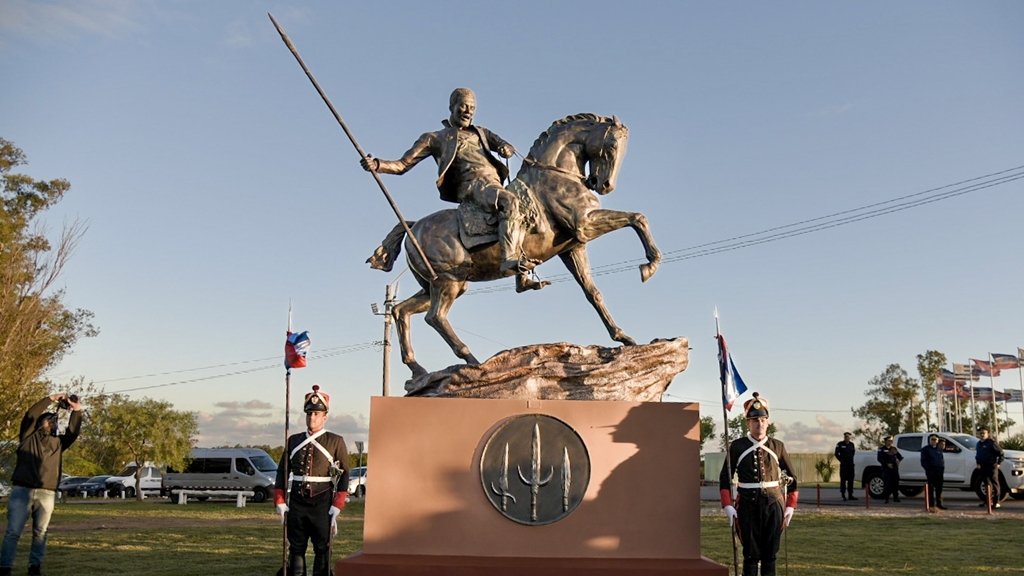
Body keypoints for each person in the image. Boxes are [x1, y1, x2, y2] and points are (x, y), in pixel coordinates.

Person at [360, 87, 545, 291]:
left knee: (528, 210)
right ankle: (509, 258)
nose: (468, 111)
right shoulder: (434, 138)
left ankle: (522, 279)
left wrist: (505, 148)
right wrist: (377, 164)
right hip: (473, 185)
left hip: (494, 184)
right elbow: (403, 164)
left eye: (472, 108)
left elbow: (504, 145)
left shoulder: (482, 132)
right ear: (452, 107)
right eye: (463, 106)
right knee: (509, 202)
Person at [1, 393, 83, 576]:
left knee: (41, 533)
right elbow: (30, 414)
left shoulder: (59, 443)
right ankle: (5, 567)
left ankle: (34, 567)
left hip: (47, 493)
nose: (52, 422)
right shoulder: (27, 437)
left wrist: (76, 410)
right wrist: (51, 399)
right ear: (39, 424)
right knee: (13, 532)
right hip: (23, 491)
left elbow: (73, 431)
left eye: (54, 420)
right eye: (48, 419)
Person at [274, 386, 351, 576]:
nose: (312, 417)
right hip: (298, 503)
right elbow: (282, 473)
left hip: (322, 502)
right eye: (309, 413)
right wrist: (281, 501)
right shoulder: (293, 440)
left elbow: (345, 475)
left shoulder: (335, 441)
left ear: (325, 416)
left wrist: (337, 505)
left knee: (322, 549)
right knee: (296, 548)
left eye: (316, 413)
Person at [719, 392, 799, 576]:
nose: (759, 424)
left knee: (770, 554)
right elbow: (725, 478)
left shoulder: (777, 446)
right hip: (747, 505)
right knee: (751, 554)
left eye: (763, 419)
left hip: (774, 505)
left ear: (768, 422)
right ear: (748, 423)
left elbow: (792, 478)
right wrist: (728, 506)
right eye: (755, 420)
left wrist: (790, 507)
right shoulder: (737, 446)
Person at [975, 426, 1004, 509]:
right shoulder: (979, 443)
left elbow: (1001, 453)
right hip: (983, 467)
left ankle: (996, 502)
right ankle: (988, 501)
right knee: (987, 484)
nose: (982, 435)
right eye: (980, 433)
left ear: (988, 434)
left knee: (995, 484)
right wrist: (978, 463)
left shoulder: (991, 443)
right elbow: (978, 455)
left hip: (991, 466)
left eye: (984, 433)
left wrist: (999, 462)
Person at [920, 434, 945, 511]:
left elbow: (941, 460)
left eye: (935, 440)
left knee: (939, 488)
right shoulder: (925, 449)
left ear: (937, 441)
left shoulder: (938, 449)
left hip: (939, 471)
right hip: (931, 471)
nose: (934, 441)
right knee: (930, 488)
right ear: (930, 440)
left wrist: (942, 469)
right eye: (932, 440)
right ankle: (931, 504)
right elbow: (923, 460)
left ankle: (939, 504)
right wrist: (927, 469)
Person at [877, 436, 903, 503]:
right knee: (887, 483)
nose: (890, 442)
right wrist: (887, 464)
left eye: (891, 441)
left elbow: (900, 456)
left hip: (894, 468)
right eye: (889, 441)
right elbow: (879, 459)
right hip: (886, 469)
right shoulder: (881, 449)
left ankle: (895, 497)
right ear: (885, 441)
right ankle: (886, 498)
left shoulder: (893, 449)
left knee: (895, 483)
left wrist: (898, 461)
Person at [833, 431, 857, 501]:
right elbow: (836, 454)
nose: (847, 438)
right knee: (843, 480)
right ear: (844, 437)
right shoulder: (840, 444)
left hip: (850, 465)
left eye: (849, 437)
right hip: (844, 465)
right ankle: (843, 494)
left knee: (851, 480)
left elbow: (853, 453)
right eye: (846, 437)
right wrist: (841, 460)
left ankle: (850, 495)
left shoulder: (852, 445)